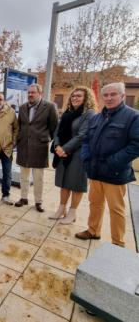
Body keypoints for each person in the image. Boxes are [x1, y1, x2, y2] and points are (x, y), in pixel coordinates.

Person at [76, 82, 139, 247]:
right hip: (95, 171)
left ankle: (118, 244)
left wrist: (113, 162)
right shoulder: (97, 117)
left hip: (115, 172)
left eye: (113, 94)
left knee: (116, 209)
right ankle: (93, 231)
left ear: (122, 96)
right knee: (95, 203)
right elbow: (87, 141)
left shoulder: (133, 116)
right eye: (106, 95)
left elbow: (136, 145)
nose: (109, 98)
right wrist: (86, 158)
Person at [49, 86, 97, 224]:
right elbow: (57, 132)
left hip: (78, 155)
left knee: (76, 184)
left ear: (86, 98)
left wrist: (65, 149)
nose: (75, 98)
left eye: (79, 96)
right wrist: (58, 146)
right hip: (62, 153)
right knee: (64, 183)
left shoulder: (90, 114)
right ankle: (61, 209)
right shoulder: (67, 113)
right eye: (73, 96)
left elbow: (83, 135)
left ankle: (72, 213)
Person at [15, 83, 58, 212]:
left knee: (38, 177)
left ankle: (38, 202)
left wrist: (46, 139)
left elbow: (54, 127)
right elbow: (20, 126)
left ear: (40, 94)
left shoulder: (50, 107)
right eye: (29, 92)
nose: (30, 95)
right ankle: (23, 198)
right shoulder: (22, 107)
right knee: (24, 176)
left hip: (40, 147)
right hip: (24, 147)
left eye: (33, 92)